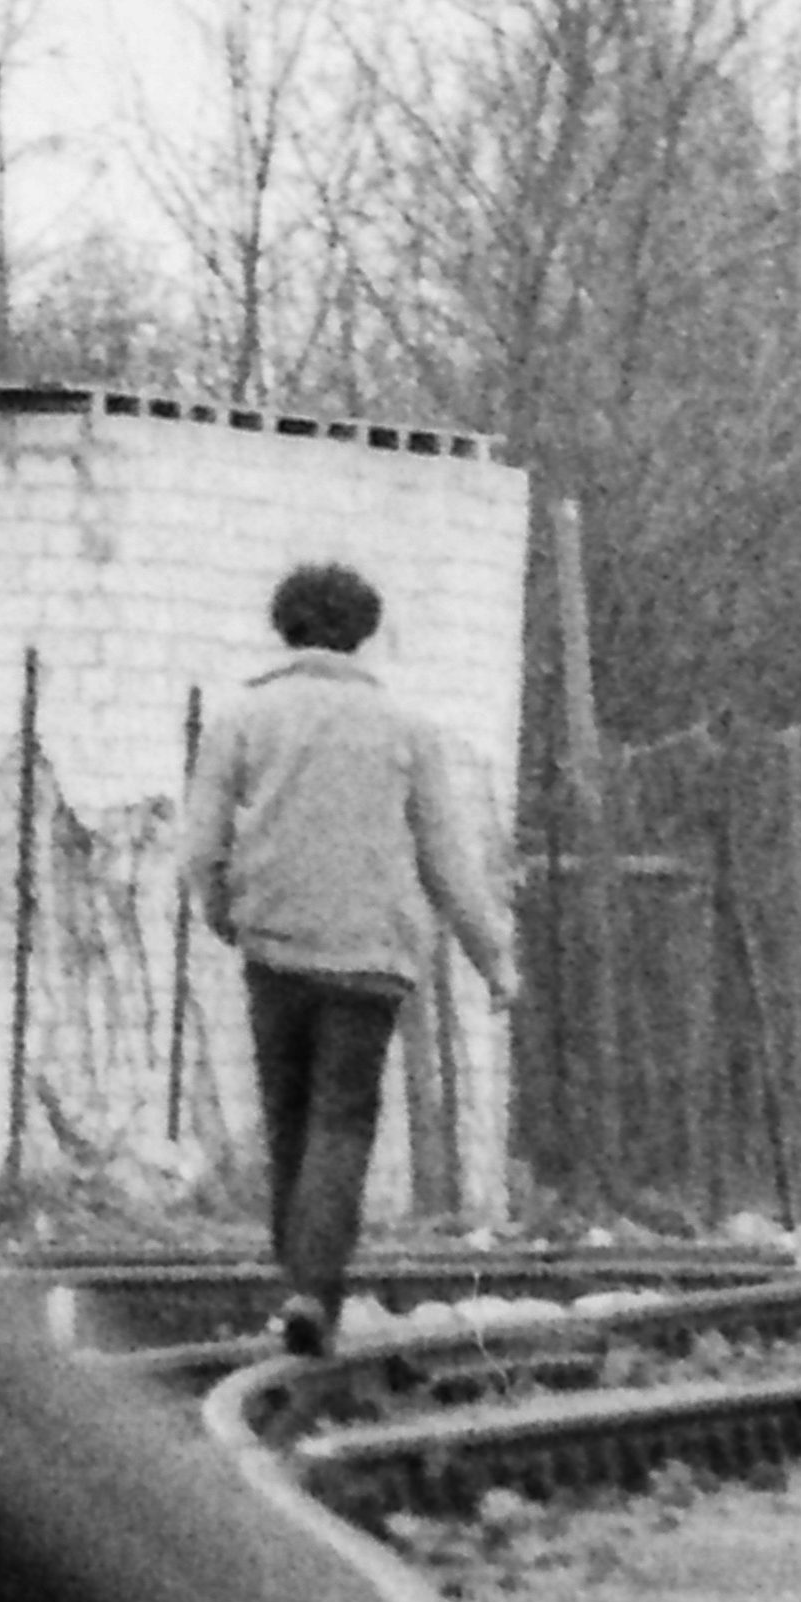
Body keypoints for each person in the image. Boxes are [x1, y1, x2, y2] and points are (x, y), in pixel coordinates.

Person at [186, 560, 518, 1354]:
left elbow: (200, 847)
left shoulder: (241, 719)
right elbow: (448, 863)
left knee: (289, 1121)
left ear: (286, 626)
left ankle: (296, 1288)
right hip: (372, 961)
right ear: (364, 634)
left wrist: (225, 914)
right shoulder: (408, 730)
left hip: (275, 952)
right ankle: (314, 1290)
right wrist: (495, 961)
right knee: (342, 1120)